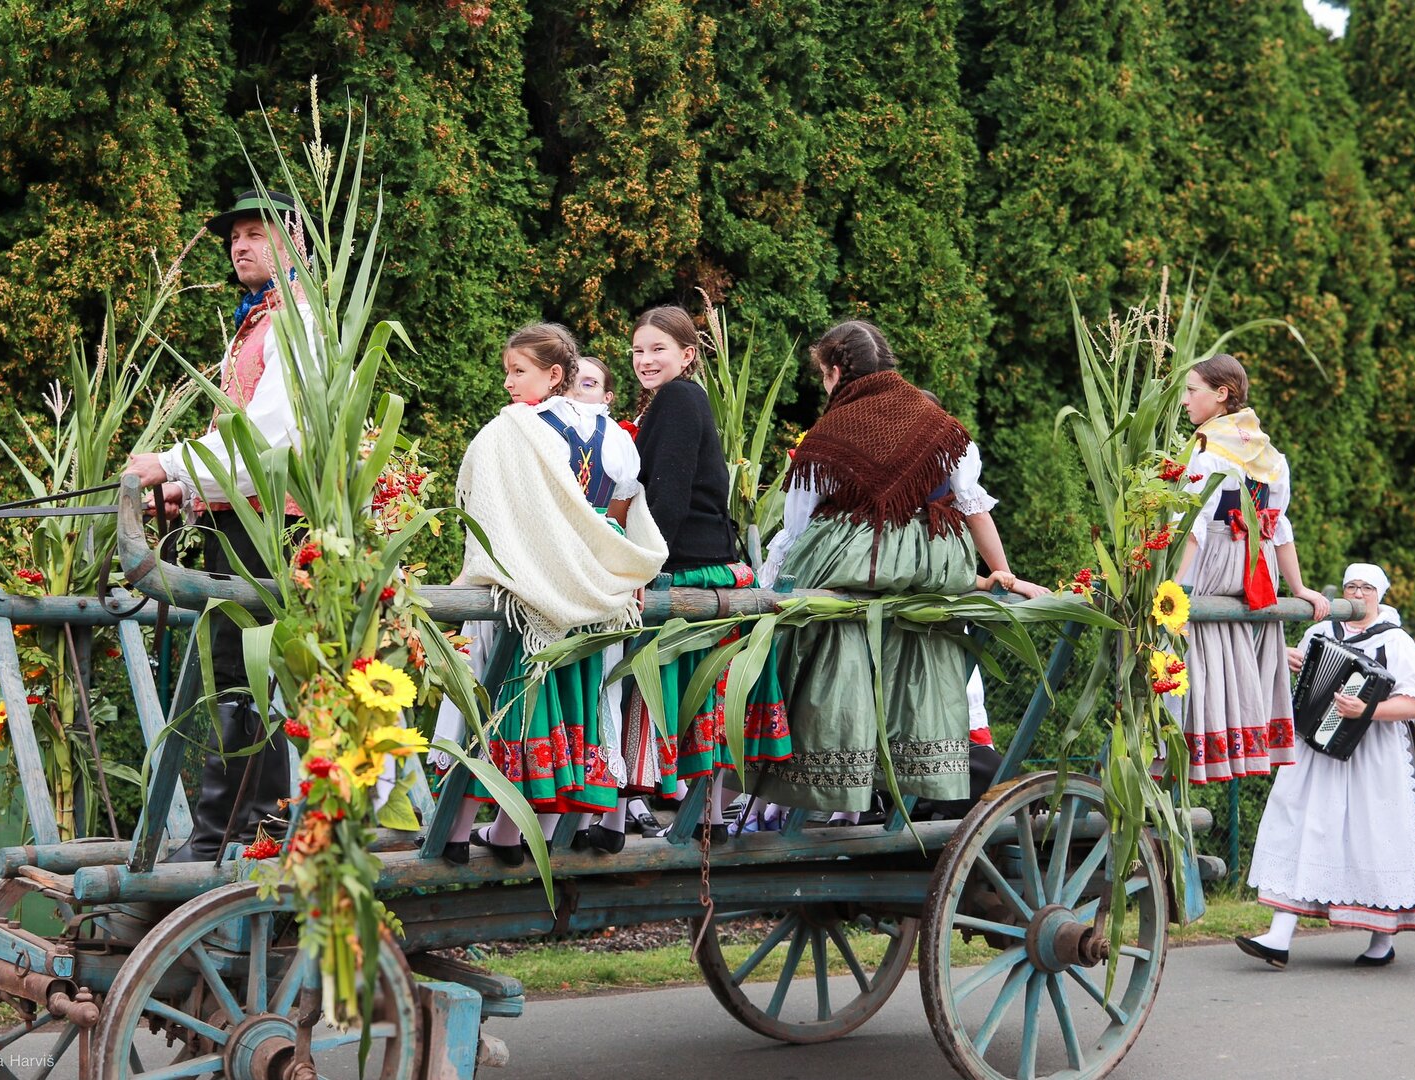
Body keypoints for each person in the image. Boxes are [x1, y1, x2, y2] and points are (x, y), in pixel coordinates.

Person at [755, 320, 1034, 814]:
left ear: (837, 370)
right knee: (920, 658)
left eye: (823, 374)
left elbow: (798, 525)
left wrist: (772, 582)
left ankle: (830, 786)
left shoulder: (830, 433)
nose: (825, 385)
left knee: (820, 646)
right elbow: (973, 506)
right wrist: (1004, 572)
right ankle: (915, 770)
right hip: (934, 563)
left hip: (858, 563)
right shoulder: (941, 424)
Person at [125, 188, 313, 862]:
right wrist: (182, 488)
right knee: (232, 677)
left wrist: (170, 464)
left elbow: (267, 435)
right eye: (235, 236)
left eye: (257, 233)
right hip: (237, 520)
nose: (240, 245)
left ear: (295, 244)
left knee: (245, 676)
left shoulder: (298, 323)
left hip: (269, 527)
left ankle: (237, 828)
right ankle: (236, 825)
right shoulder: (257, 324)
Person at [432, 323, 666, 864]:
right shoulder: (617, 438)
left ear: (553, 374)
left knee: (490, 704)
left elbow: (492, 513)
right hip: (589, 597)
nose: (509, 383)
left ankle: (456, 833)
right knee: (572, 708)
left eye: (518, 371)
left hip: (526, 593)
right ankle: (525, 835)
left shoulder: (517, 428)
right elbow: (622, 515)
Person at [620, 305, 791, 841]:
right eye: (638, 350)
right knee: (706, 697)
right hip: (708, 561)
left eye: (658, 349)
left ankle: (699, 815)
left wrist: (640, 567)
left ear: (688, 355)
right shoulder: (678, 401)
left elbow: (667, 496)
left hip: (689, 568)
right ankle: (709, 817)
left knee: (687, 693)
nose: (645, 360)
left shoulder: (675, 399)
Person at [1237, 563, 1415, 969]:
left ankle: (1381, 940)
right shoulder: (1321, 632)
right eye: (1351, 586)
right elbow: (1305, 686)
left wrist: (1367, 708)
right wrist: (1288, 662)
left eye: (1366, 588)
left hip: (1375, 756)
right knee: (1298, 824)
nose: (1357, 594)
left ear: (1380, 595)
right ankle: (1279, 935)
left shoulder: (1395, 641)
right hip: (1315, 749)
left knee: (1375, 834)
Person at [1171, 355, 1330, 784]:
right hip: (1254, 568)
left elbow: (1192, 529)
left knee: (1188, 648)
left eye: (1191, 390)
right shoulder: (1271, 454)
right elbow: (1277, 526)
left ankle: (1182, 751)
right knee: (1231, 645)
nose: (1185, 401)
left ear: (1221, 395)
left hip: (1211, 563)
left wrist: (1172, 590)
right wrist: (1299, 587)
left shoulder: (1204, 451)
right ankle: (1236, 744)